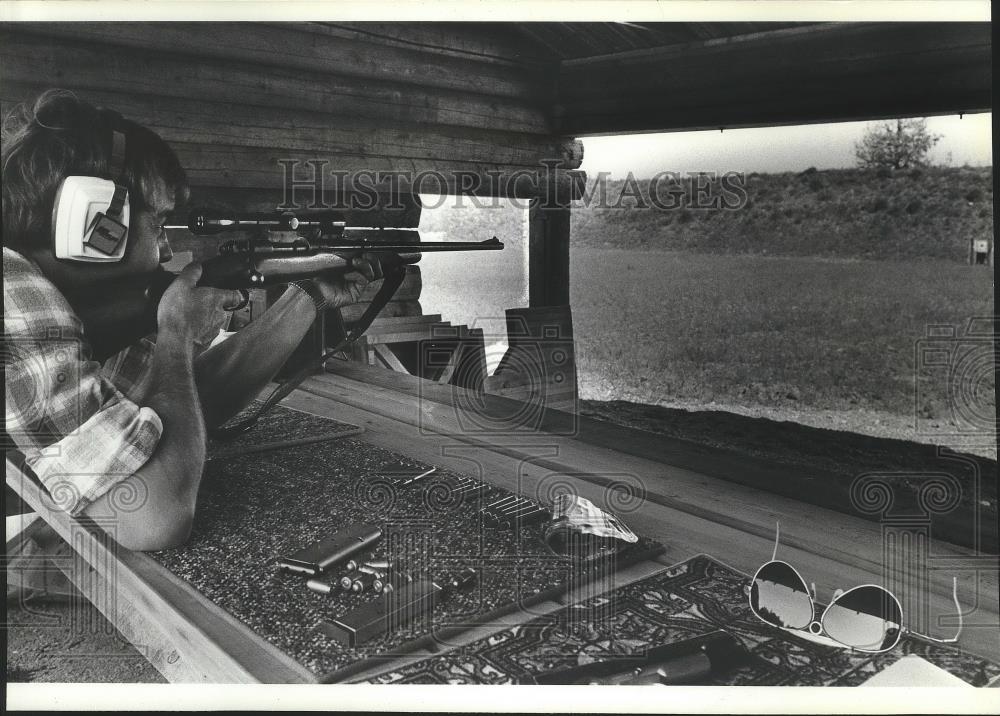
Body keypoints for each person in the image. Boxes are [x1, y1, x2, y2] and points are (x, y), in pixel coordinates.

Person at [3, 90, 375, 585]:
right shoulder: (14, 292)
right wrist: (176, 331)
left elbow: (163, 418)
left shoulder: (48, 288)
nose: (167, 246)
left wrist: (305, 298)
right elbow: (152, 517)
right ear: (91, 219)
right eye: (157, 222)